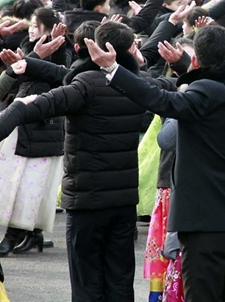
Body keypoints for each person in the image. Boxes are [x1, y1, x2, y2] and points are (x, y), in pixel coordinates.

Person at [87, 25, 225, 302]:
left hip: (200, 225)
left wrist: (113, 68)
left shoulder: (198, 95)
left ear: (196, 59)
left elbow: (156, 98)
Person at [0, 21, 173, 302]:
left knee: (86, 280)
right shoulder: (140, 87)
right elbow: (177, 85)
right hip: (123, 200)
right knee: (120, 279)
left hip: (86, 202)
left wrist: (21, 100)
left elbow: (35, 106)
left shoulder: (83, 87)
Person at [0, 9, 67, 256]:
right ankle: (32, 234)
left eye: (36, 25)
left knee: (30, 184)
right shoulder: (27, 49)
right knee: (17, 182)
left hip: (44, 123)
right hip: (21, 120)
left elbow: (61, 76)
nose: (30, 29)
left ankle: (15, 236)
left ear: (50, 28)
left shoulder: (60, 49)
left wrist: (32, 60)